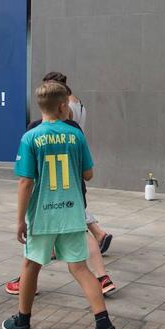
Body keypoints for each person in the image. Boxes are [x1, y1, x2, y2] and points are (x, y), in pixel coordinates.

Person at [2, 81, 117, 329]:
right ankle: (104, 325)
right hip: (72, 213)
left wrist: (20, 220)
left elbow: (25, 182)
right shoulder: (76, 135)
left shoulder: (30, 137)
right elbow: (88, 174)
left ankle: (23, 321)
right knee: (79, 268)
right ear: (63, 106)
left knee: (31, 265)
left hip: (42, 216)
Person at [42, 72, 113, 250]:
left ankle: (96, 234)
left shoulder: (66, 106)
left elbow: (64, 126)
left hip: (65, 155)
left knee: (66, 200)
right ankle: (96, 234)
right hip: (75, 154)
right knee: (71, 199)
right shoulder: (78, 102)